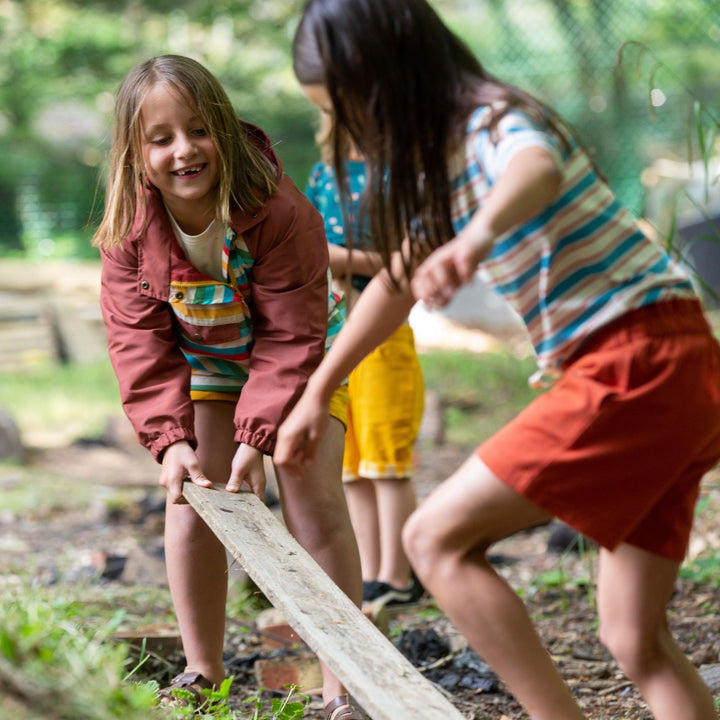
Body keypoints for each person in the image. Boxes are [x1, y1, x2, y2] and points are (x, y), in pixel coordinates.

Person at [274, 2, 720, 719]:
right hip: (678, 365)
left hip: (638, 359)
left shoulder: (488, 120)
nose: (351, 135)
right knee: (633, 636)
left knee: (434, 539)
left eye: (351, 112)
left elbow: (533, 167)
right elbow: (396, 281)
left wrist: (476, 239)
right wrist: (317, 390)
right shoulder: (440, 168)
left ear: (390, 79)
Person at [92, 54, 363, 720]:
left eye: (197, 131)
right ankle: (203, 670)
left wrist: (262, 435)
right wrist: (169, 442)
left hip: (300, 353)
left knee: (309, 487)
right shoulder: (130, 230)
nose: (183, 151)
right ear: (135, 154)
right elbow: (139, 344)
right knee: (193, 495)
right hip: (208, 359)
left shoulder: (276, 207)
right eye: (160, 139)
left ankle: (343, 684)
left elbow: (291, 334)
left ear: (223, 128)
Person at [304, 113, 425, 606]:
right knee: (353, 462)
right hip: (336, 334)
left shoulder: (398, 175)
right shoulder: (322, 173)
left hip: (384, 334)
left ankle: (398, 576)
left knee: (386, 459)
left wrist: (341, 258)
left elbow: (409, 257)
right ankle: (374, 571)